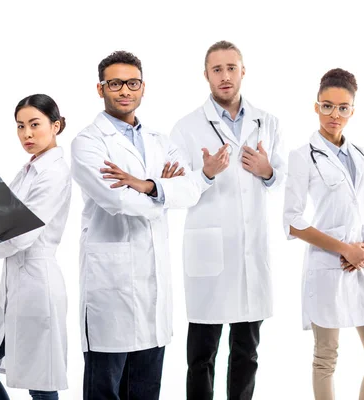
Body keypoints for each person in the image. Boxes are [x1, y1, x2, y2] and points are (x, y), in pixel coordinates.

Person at [71, 50, 230, 400]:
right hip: (109, 292)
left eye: (132, 83)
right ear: (101, 89)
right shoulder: (87, 142)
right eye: (115, 83)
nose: (124, 90)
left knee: (146, 393)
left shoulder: (160, 140)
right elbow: (118, 201)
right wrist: (165, 192)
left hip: (153, 293)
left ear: (143, 87)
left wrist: (146, 184)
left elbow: (189, 191)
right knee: (105, 392)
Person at [170, 40, 287, 400]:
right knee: (202, 356)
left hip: (250, 251)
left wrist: (268, 171)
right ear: (205, 75)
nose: (225, 76)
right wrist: (204, 173)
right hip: (209, 253)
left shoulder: (267, 122)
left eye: (231, 68)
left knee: (246, 352)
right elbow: (175, 191)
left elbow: (281, 179)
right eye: (217, 69)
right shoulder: (186, 128)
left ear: (243, 71)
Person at [283, 68, 364, 399]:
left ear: (352, 111)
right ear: (316, 106)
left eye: (343, 107)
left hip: (363, 264)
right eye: (328, 106)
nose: (335, 114)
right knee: (326, 359)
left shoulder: (361, 155)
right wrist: (344, 249)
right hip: (328, 267)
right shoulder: (302, 156)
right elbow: (291, 220)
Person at [0, 94, 71, 400]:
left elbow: (24, 233)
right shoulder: (28, 170)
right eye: (20, 126)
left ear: (56, 125)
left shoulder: (54, 172)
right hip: (13, 289)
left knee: (42, 383)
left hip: (38, 285)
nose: (27, 133)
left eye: (35, 124)